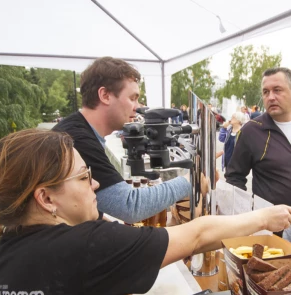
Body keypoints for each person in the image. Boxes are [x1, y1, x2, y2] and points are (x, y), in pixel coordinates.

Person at [0, 129, 291, 295]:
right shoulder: (84, 247)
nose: (95, 184)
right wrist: (265, 218)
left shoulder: (7, 249)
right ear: (46, 198)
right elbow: (196, 236)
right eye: (84, 178)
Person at [53, 57, 192, 224]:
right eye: (132, 98)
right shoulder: (75, 140)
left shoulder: (80, 131)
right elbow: (130, 206)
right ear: (105, 95)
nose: (138, 107)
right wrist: (189, 181)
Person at [225, 67, 291, 207]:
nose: (271, 97)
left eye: (277, 90)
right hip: (273, 226)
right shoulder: (251, 131)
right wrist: (246, 217)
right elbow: (234, 177)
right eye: (266, 92)